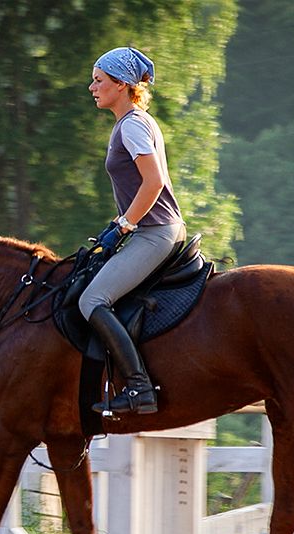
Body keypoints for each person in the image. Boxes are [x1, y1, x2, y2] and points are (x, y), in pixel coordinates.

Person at [81, 46, 187, 416]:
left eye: (98, 80)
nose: (92, 87)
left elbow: (153, 181)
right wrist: (117, 226)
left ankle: (139, 388)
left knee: (91, 301)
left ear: (122, 84)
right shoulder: (130, 122)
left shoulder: (133, 125)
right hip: (149, 230)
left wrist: (125, 224)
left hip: (155, 232)